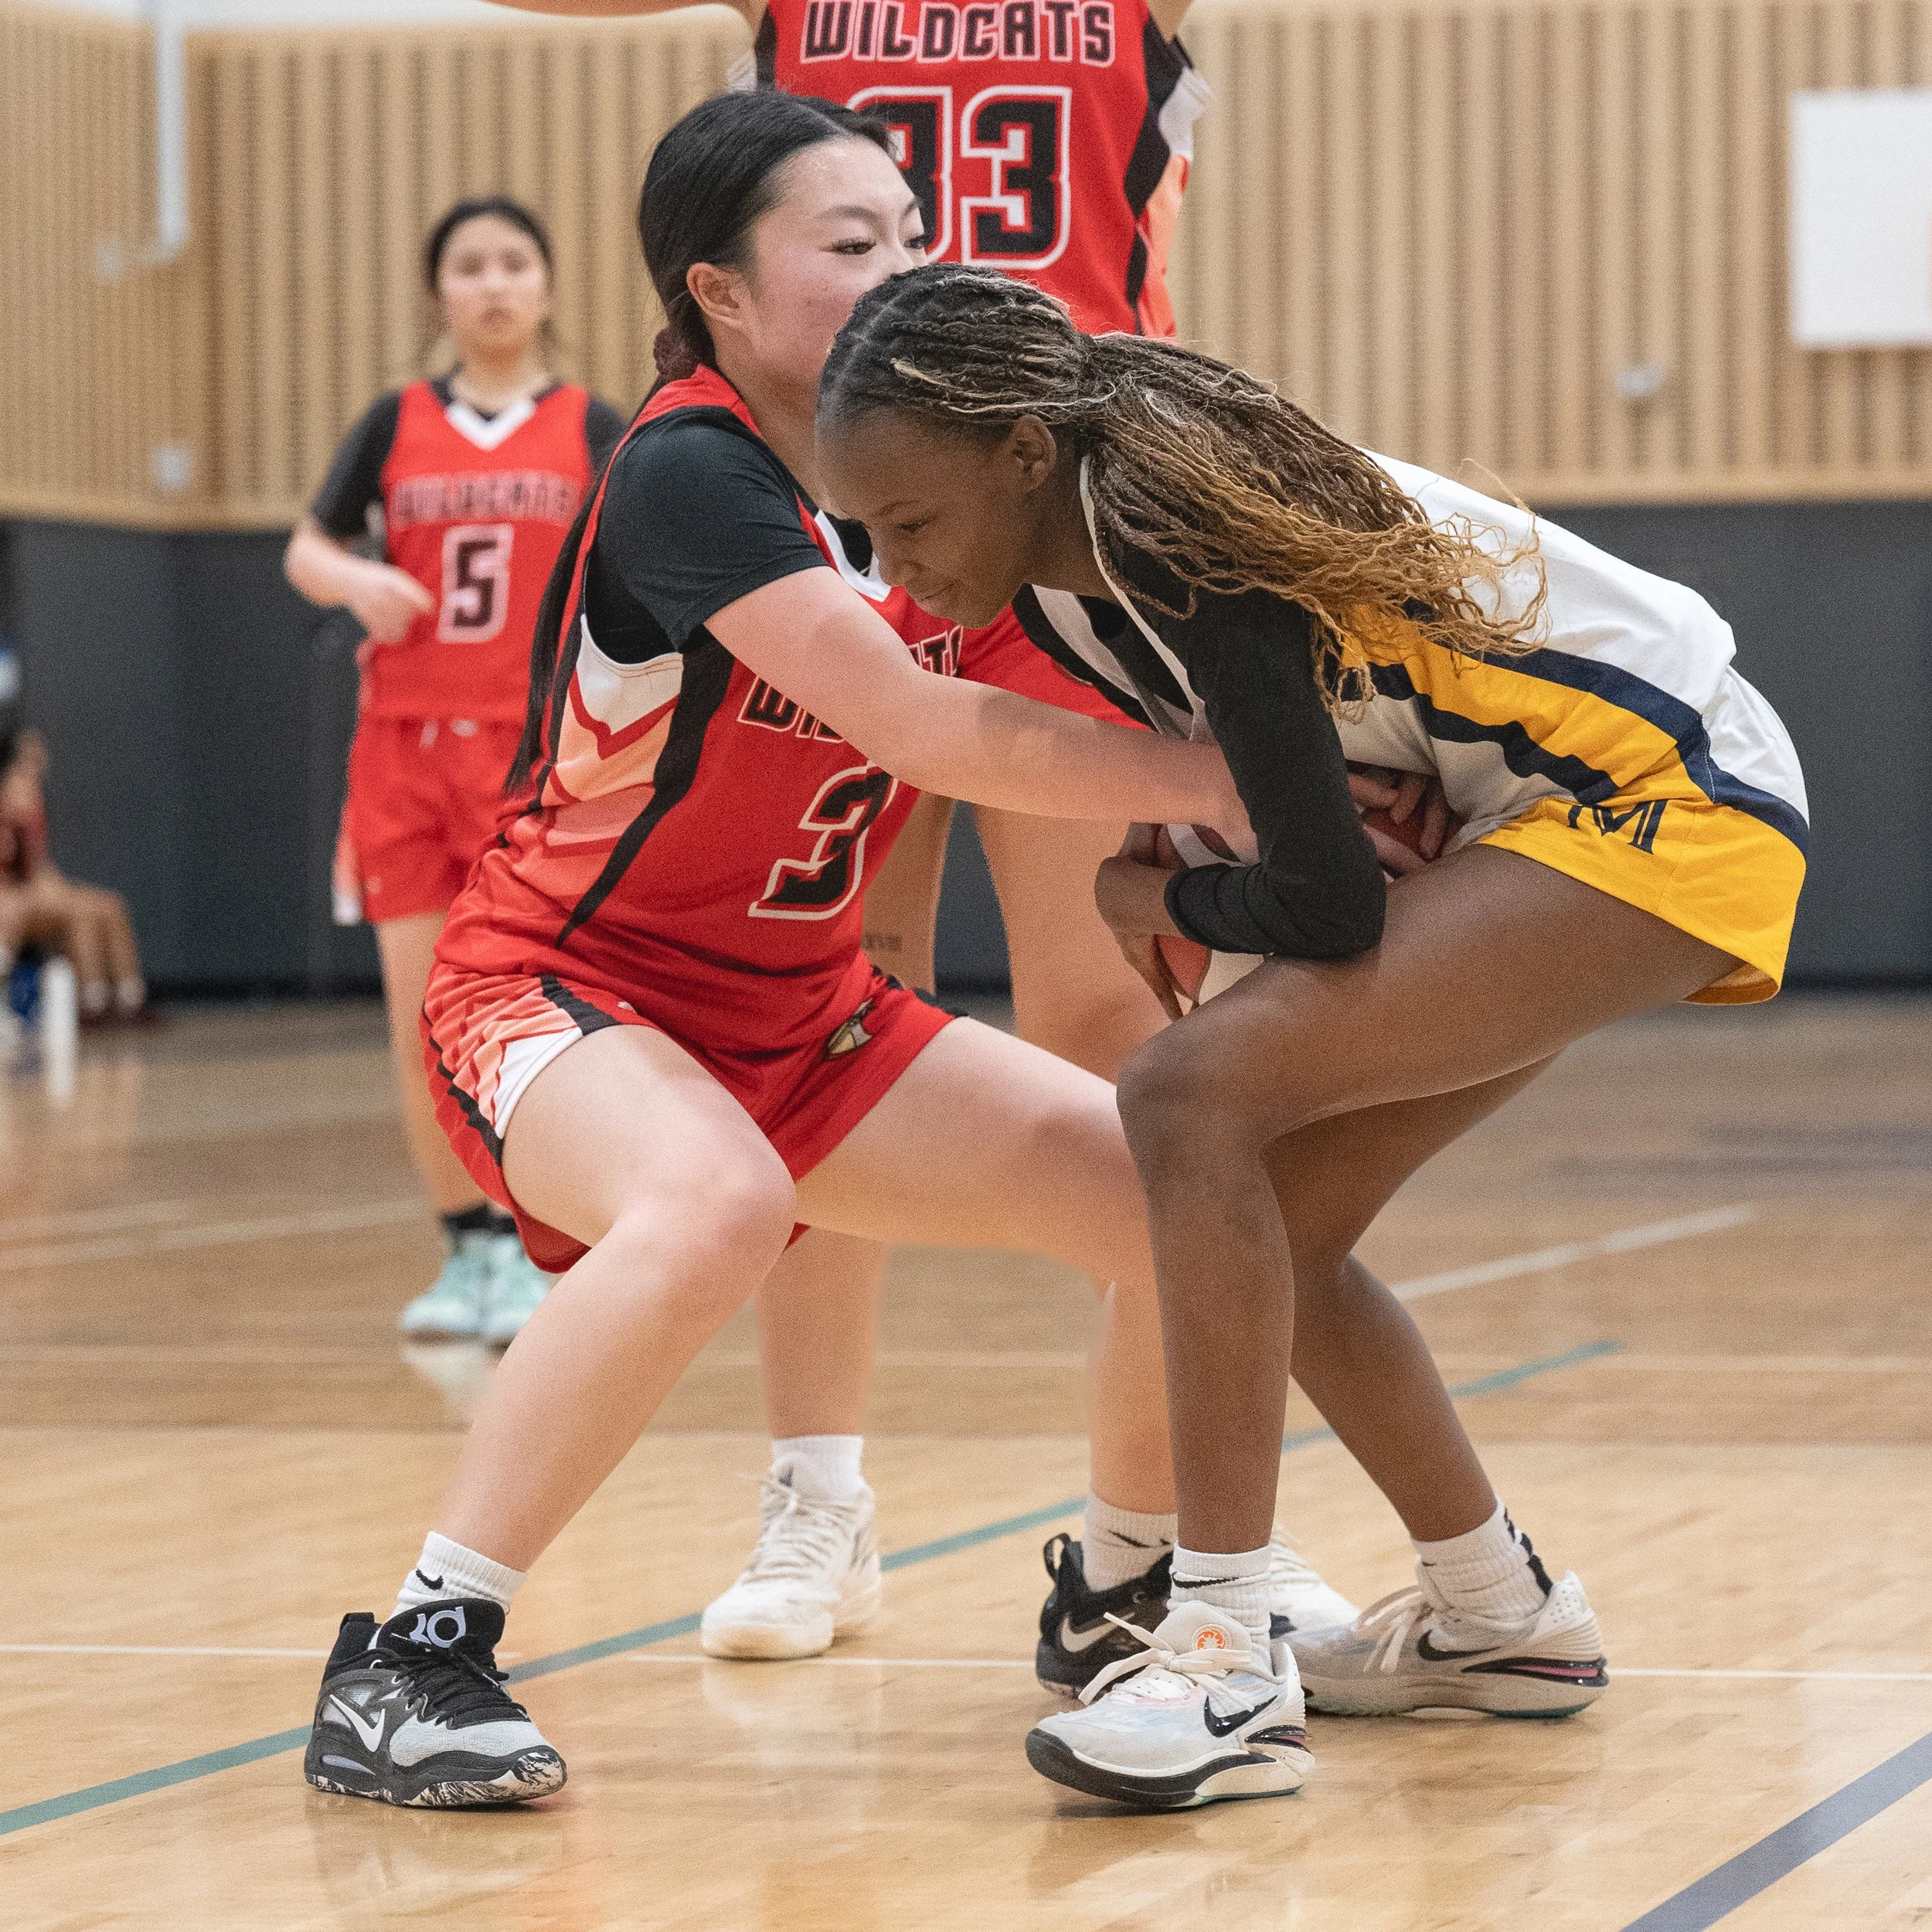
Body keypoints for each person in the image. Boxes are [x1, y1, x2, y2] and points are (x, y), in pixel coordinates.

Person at [301, 90, 1271, 1811]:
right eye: (849, 244)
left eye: (910, 235)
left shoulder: (922, 471)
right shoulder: (690, 467)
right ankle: (412, 1656)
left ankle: (1128, 1589)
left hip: (801, 1014)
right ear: (721, 292)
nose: (902, 270)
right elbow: (916, 722)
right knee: (722, 1202)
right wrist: (1235, 785)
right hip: (557, 986)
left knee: (1174, 1197)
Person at [815, 261, 1808, 1807]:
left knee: (1182, 1094)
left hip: (1659, 790)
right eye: (865, 534)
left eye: (912, 523)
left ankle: (1220, 1651)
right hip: (1507, 808)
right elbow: (1305, 819)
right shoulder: (1066, 570)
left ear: (1021, 453)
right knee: (1269, 1217)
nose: (896, 567)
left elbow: (1326, 899)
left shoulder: (1173, 534)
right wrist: (1186, 892)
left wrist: (1148, 891)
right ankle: (1499, 1617)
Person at [490, 0, 1370, 1668]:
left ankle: (1182, 1524)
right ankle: (814, 1496)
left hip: (1052, 511)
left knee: (1114, 1032)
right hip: (854, 500)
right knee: (817, 1000)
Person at [285, 199, 628, 1348]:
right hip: (401, 750)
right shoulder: (395, 421)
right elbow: (306, 546)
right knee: (419, 1014)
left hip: (533, 756)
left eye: (513, 262)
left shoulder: (593, 425)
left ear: (546, 286)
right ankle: (465, 1248)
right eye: (469, 266)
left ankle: (535, 1239)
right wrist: (354, 581)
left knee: (531, 1012)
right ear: (439, 294)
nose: (492, 283)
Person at [0, 645, 148, 1027]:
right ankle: (90, 1002)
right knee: (80, 915)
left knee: (109, 906)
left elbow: (40, 867)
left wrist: (54, 888)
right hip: (13, 905)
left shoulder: (32, 810)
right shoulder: (8, 811)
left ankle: (127, 999)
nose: (33, 775)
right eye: (25, 766)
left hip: (35, 894)